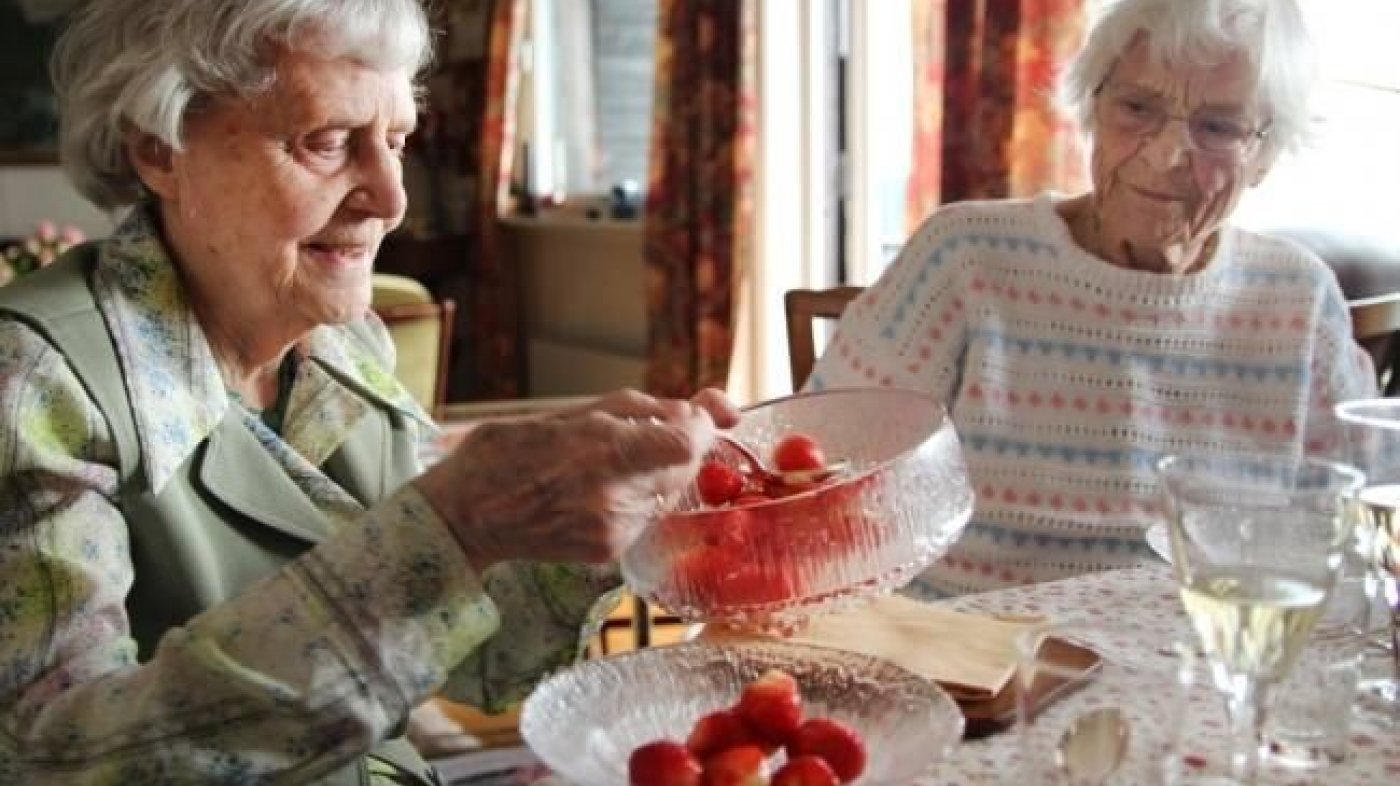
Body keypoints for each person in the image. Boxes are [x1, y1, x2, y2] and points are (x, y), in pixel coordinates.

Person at [0, 1, 739, 783]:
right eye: (326, 142)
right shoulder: (33, 385)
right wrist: (455, 525)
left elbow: (475, 663)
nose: (391, 199)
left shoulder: (343, 351)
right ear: (160, 149)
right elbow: (56, 759)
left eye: (395, 141)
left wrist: (607, 522)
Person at [806, 0, 1375, 598]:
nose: (1165, 155)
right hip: (981, 671)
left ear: (1263, 156)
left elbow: (1355, 537)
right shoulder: (966, 257)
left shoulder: (1299, 303)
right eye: (1137, 108)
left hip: (1210, 669)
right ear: (1092, 107)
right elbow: (819, 478)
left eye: (1217, 127)